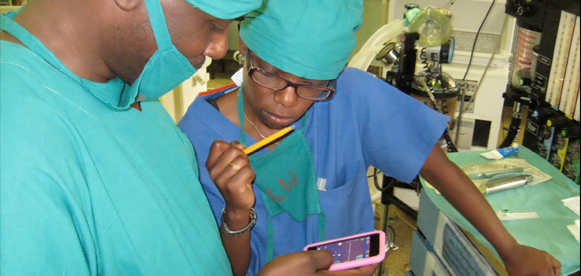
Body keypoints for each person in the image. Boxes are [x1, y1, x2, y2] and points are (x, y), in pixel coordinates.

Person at [177, 0, 563, 275]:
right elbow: (222, 266)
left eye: (312, 85)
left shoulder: (351, 98)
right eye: (271, 74)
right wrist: (237, 212)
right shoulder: (193, 139)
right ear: (244, 47)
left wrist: (509, 250)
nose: (288, 100)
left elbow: (438, 168)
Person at [0, 0, 378, 275]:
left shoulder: (132, 90)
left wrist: (236, 217)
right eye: (213, 24)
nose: (218, 49)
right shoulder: (18, 143)